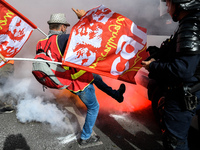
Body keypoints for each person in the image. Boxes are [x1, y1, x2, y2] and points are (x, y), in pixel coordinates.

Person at [35, 8, 126, 146]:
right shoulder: (65, 39)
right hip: (79, 82)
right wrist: (84, 18)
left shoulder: (41, 42)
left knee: (97, 77)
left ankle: (117, 95)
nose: (65, 29)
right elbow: (93, 36)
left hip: (69, 78)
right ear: (62, 27)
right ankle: (85, 137)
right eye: (65, 27)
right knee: (94, 107)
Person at [142, 0, 200, 149]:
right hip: (194, 89)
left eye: (169, 4)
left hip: (185, 93)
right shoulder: (191, 22)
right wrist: (158, 53)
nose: (167, 9)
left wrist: (153, 66)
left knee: (175, 142)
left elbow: (183, 69)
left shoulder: (191, 25)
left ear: (182, 4)